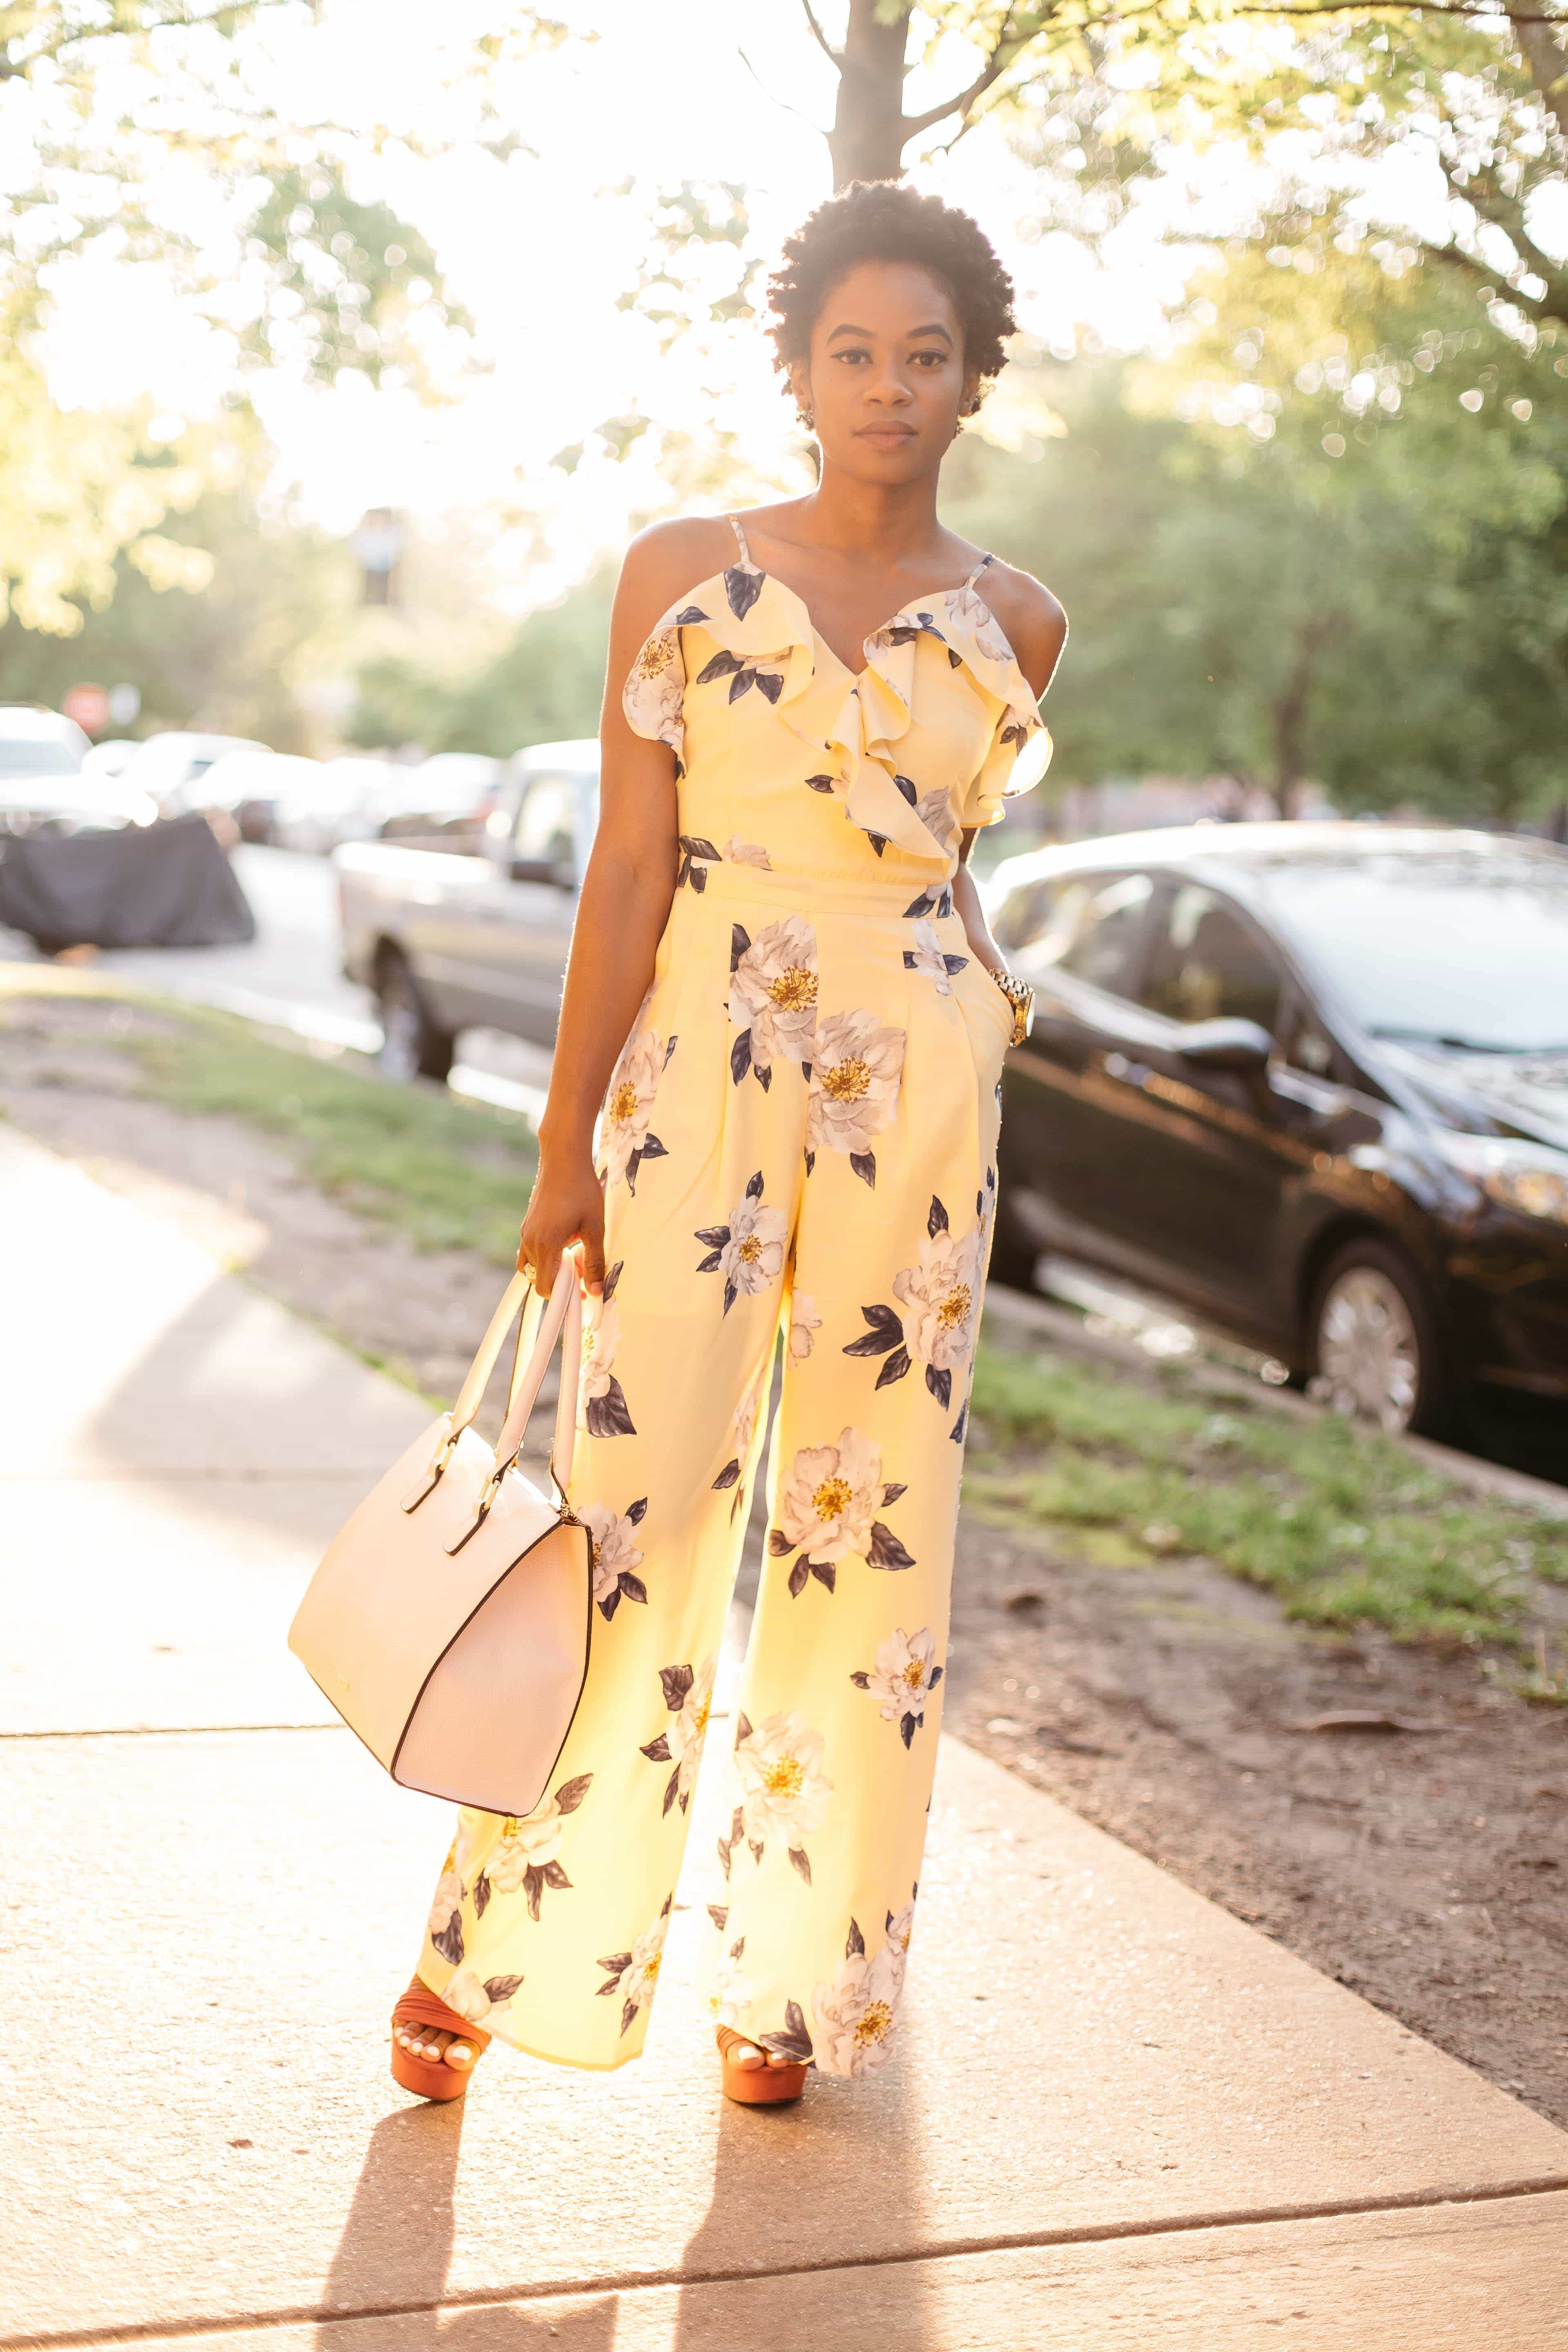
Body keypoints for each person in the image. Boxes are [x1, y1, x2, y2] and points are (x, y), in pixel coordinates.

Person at [390, 180, 1067, 2107]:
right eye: (853, 353)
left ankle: (792, 1981)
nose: (887, 387)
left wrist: (981, 1012)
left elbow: (951, 874)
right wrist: (561, 1151)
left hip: (918, 1092)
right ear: (793, 371)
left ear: (971, 384)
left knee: (869, 1529)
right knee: (634, 1510)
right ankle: (499, 1943)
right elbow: (624, 874)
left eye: (924, 357)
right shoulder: (679, 572)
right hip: (699, 1060)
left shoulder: (1016, 618)